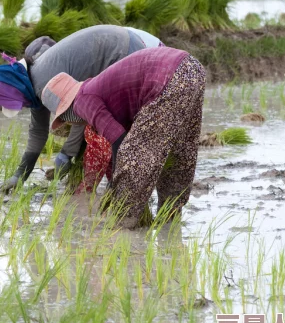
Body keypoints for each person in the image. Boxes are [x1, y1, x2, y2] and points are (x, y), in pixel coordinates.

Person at [40, 47, 206, 227]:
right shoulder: (99, 88)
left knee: (133, 155)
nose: (71, 122)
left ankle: (124, 225)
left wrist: (114, 188)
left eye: (65, 118)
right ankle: (170, 220)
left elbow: (119, 141)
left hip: (166, 77)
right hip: (192, 69)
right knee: (180, 152)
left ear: (67, 109)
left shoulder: (82, 100)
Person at [0, 25, 158, 193]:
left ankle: (126, 188)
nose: (21, 106)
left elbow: (82, 112)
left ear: (15, 90)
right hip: (120, 40)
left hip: (122, 52)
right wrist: (19, 176)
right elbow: (38, 132)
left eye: (15, 102)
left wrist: (66, 153)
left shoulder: (43, 83)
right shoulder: (32, 82)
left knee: (110, 126)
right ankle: (118, 184)